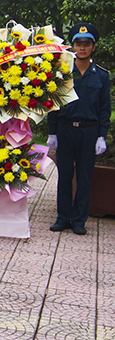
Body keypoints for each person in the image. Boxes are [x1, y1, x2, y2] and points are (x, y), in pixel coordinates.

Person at [48, 22, 111, 235]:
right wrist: (52, 133)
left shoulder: (101, 76)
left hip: (88, 131)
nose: (82, 48)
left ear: (93, 47)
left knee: (84, 177)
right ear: (72, 46)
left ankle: (79, 220)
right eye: (78, 43)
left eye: (86, 44)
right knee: (65, 175)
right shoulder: (63, 72)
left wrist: (102, 135)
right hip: (65, 130)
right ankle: (63, 218)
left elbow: (104, 109)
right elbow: (53, 105)